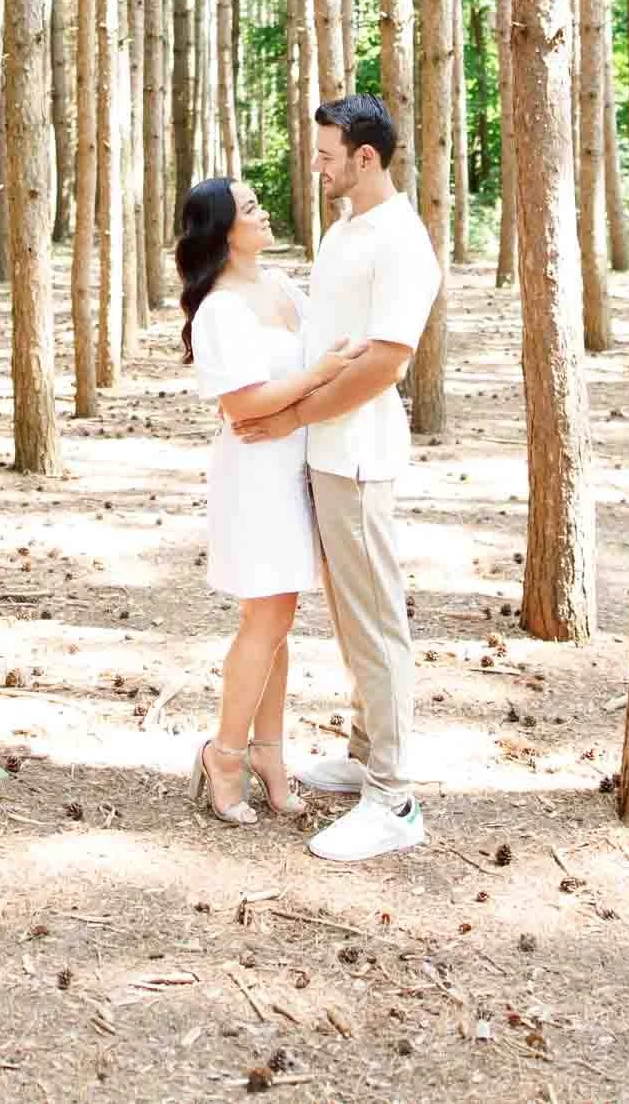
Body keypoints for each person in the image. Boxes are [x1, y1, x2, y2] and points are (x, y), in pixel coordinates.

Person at [232, 95, 443, 862]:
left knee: (376, 622)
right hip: (322, 451)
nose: (314, 166)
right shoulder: (345, 228)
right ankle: (363, 756)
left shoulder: (401, 242)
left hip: (358, 455)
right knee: (352, 620)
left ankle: (395, 799)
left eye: (326, 156)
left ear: (364, 158)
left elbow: (387, 362)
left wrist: (291, 418)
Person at [179, 175, 367, 828]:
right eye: (250, 207)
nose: (264, 212)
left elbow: (332, 347)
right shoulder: (220, 310)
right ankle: (224, 755)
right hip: (255, 475)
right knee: (265, 621)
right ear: (223, 231)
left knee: (278, 621)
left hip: (298, 466)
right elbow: (243, 406)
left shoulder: (282, 285)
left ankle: (269, 755)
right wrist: (316, 377)